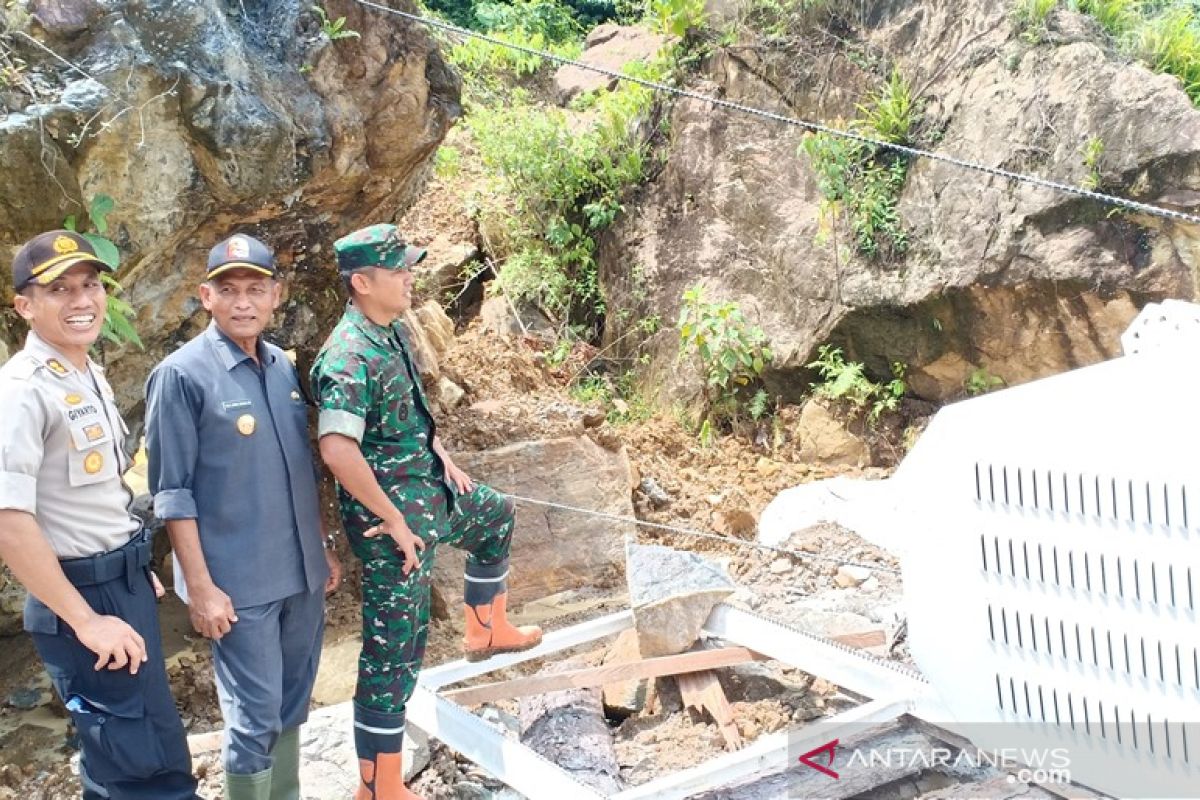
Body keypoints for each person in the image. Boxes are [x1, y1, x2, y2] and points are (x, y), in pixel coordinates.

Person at [310, 224, 543, 800]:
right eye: (397, 271)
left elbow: (405, 415)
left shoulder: (388, 332)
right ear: (362, 282)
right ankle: (379, 786)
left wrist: (441, 453)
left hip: (432, 495)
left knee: (496, 516)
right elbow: (338, 448)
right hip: (395, 529)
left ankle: (485, 629)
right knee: (395, 653)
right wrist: (391, 518)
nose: (409, 277)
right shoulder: (346, 354)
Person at [0, 230, 199, 799]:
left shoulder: (85, 372)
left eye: (89, 285)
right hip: (81, 599)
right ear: (25, 306)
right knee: (136, 763)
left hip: (122, 582)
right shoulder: (21, 390)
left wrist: (134, 559)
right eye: (58, 289)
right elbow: (9, 520)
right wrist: (86, 619)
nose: (81, 300)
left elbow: (94, 493)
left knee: (145, 742)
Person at [145, 234, 341, 800]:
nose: (243, 303)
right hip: (237, 584)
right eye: (228, 290)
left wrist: (322, 547)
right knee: (252, 719)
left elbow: (299, 469)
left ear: (276, 295)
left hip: (299, 573)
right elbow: (172, 494)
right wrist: (201, 588)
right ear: (206, 296)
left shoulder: (281, 366)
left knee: (291, 704)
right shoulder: (180, 375)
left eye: (256, 288)